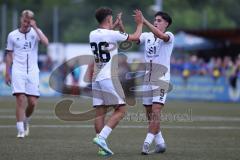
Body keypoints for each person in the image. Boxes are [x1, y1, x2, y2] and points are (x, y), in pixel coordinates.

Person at [89, 7, 143, 156]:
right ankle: (101, 137)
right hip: (108, 77)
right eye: (111, 18)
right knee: (121, 109)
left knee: (100, 112)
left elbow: (108, 34)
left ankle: (102, 148)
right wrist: (140, 23)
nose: (112, 20)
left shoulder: (93, 34)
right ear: (108, 19)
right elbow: (135, 37)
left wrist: (116, 26)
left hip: (97, 77)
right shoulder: (112, 34)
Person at [5, 10, 49, 138]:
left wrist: (35, 27)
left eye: (28, 21)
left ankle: (26, 120)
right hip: (18, 70)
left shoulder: (35, 32)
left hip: (33, 71)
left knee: (32, 102)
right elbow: (9, 55)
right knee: (20, 99)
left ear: (31, 21)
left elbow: (46, 43)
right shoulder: (12, 35)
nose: (26, 24)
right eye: (24, 21)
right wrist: (7, 73)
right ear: (21, 19)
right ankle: (20, 130)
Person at [138, 11, 174, 155]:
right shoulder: (146, 36)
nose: (156, 22)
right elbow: (133, 39)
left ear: (166, 23)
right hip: (147, 78)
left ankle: (147, 143)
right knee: (149, 113)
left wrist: (144, 21)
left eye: (159, 20)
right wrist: (122, 29)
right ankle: (160, 143)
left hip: (161, 78)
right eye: (155, 20)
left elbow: (161, 35)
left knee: (156, 111)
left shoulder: (170, 36)